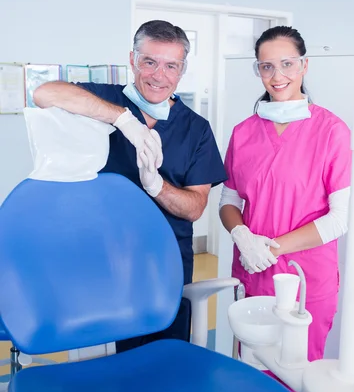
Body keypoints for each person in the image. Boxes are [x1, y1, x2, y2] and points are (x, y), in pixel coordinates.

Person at [34, 19, 226, 351]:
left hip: (165, 264)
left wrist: (157, 186)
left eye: (171, 66)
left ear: (182, 71)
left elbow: (195, 208)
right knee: (104, 362)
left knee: (164, 360)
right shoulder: (102, 98)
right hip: (101, 258)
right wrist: (122, 119)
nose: (158, 75)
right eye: (149, 61)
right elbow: (43, 93)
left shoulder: (196, 129)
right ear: (132, 59)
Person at [219, 26, 351, 362]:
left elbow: (340, 218)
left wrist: (273, 248)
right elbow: (229, 200)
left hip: (305, 279)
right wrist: (242, 236)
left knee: (296, 377)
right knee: (251, 377)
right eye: (267, 66)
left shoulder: (331, 132)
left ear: (304, 66)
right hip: (253, 274)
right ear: (258, 71)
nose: (278, 76)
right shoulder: (244, 133)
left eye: (287, 64)